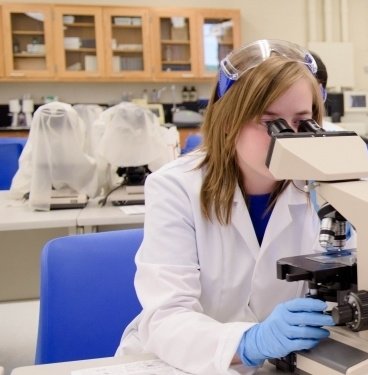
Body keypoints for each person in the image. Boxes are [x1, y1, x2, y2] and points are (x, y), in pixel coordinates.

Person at [117, 40, 335, 374]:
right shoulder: (175, 186)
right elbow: (166, 316)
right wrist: (250, 342)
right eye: (270, 122)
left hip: (283, 364)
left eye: (301, 121)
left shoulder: (324, 186)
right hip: (182, 363)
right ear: (229, 119)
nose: (289, 138)